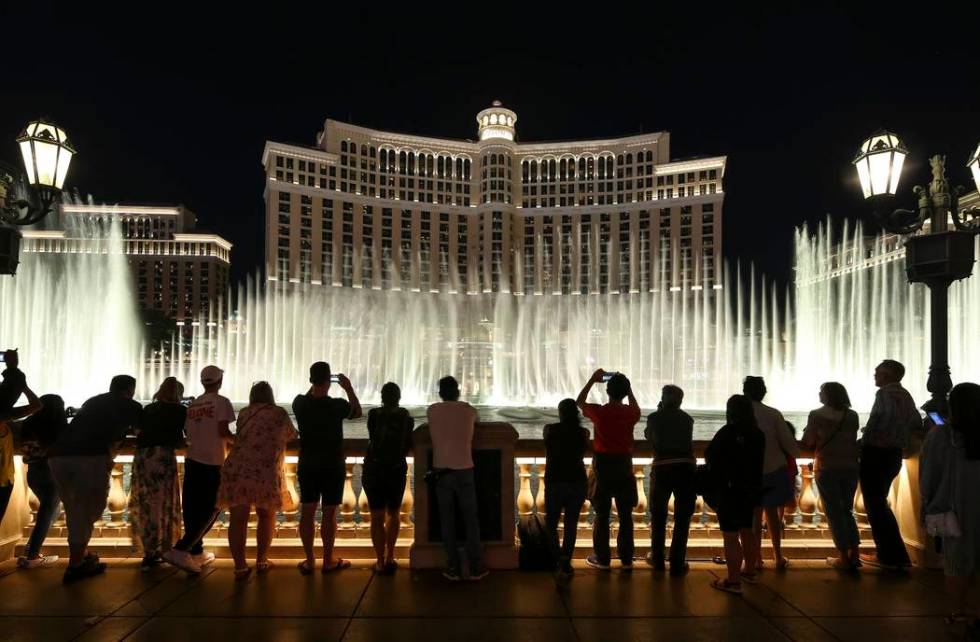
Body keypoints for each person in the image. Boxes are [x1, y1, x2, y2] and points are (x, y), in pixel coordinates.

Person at [48, 375, 142, 583]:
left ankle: (81, 556)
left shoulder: (93, 401)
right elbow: (142, 432)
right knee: (90, 508)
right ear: (130, 390)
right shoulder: (130, 405)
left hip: (58, 457)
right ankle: (75, 565)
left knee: (75, 509)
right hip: (88, 457)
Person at [217, 381, 297, 581]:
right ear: (270, 395)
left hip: (237, 468)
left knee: (238, 519)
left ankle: (240, 567)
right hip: (265, 469)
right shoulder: (279, 413)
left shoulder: (244, 412)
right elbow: (291, 435)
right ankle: (262, 561)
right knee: (266, 515)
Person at [163, 365, 235, 575]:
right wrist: (240, 441)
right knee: (214, 506)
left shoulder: (193, 405)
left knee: (193, 508)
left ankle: (195, 552)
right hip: (213, 461)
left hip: (192, 459)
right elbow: (223, 431)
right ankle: (181, 549)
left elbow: (188, 431)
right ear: (219, 381)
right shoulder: (222, 402)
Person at [293, 361, 362, 575]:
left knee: (307, 511)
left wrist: (315, 385)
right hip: (332, 464)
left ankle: (310, 560)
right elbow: (357, 412)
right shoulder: (337, 405)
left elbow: (307, 398)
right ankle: (328, 560)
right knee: (329, 513)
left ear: (311, 379)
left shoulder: (299, 403)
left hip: (307, 464)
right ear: (329, 380)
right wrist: (348, 388)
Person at [921, 382, 980, 632]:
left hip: (956, 509)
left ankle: (959, 612)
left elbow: (929, 476)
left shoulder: (943, 435)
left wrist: (928, 504)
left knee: (957, 562)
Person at [577, 369, 641, 571]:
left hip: (602, 465)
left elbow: (579, 402)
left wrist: (592, 380)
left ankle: (603, 558)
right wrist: (629, 389)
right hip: (624, 464)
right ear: (625, 392)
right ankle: (627, 558)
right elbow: (635, 407)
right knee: (625, 514)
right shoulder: (631, 413)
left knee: (602, 514)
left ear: (608, 391)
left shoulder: (600, 412)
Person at [427, 375, 488, 581]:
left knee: (447, 521)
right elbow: (477, 421)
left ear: (441, 393)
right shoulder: (469, 410)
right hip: (465, 470)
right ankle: (475, 567)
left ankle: (452, 566)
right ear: (458, 392)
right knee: (471, 520)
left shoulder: (432, 410)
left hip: (441, 472)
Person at [859, 359, 918, 569]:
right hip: (893, 455)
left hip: (876, 454)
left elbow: (878, 420)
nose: (875, 375)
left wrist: (864, 439)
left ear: (889, 375)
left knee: (875, 506)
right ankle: (894, 554)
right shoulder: (906, 395)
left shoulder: (883, 394)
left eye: (879, 372)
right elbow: (915, 421)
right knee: (880, 504)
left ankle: (890, 556)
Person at [706, 394, 765, 595]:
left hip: (730, 490)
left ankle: (733, 581)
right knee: (747, 530)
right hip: (751, 490)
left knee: (731, 536)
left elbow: (711, 457)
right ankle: (749, 571)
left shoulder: (727, 432)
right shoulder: (758, 434)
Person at [802, 382, 861, 569]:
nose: (819, 394)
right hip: (851, 466)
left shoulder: (817, 415)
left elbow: (809, 441)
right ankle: (855, 554)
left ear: (828, 395)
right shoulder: (852, 415)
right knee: (847, 511)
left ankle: (843, 556)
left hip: (827, 466)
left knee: (834, 512)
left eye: (821, 391)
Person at [129, 377, 187, 570]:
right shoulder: (180, 411)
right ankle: (162, 548)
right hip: (162, 458)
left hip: (143, 457)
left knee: (147, 504)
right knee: (163, 504)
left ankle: (149, 550)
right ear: (179, 394)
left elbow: (138, 431)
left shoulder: (149, 409)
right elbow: (181, 439)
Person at [743, 376, 798, 570]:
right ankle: (778, 556)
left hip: (749, 470)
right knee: (773, 515)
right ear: (763, 393)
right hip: (774, 468)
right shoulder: (774, 414)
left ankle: (755, 558)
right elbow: (788, 443)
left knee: (754, 517)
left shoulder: (740, 413)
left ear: (745, 392)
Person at [362, 382, 414, 574]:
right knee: (394, 513)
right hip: (395, 468)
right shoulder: (405, 416)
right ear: (399, 398)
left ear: (382, 397)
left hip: (374, 468)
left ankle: (379, 560)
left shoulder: (374, 414)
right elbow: (408, 440)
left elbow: (372, 435)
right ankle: (391, 555)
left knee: (377, 517)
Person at [645, 384, 696, 575]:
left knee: (658, 514)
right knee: (683, 516)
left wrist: (658, 412)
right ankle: (677, 561)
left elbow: (649, 436)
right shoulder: (687, 419)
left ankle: (657, 558)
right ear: (681, 401)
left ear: (663, 398)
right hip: (686, 468)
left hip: (663, 468)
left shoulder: (654, 417)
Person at [17, 393, 68, 568]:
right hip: (51, 472)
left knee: (51, 511)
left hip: (33, 473)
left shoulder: (28, 423)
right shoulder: (58, 426)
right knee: (47, 514)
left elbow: (25, 447)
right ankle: (32, 556)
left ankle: (31, 550)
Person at [543, 398, 589, 582]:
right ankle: (566, 560)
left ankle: (558, 559)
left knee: (551, 524)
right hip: (577, 481)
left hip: (555, 481)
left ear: (560, 413)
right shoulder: (583, 433)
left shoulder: (550, 430)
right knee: (571, 524)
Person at [0, 380, 43, 527]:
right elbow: (37, 405)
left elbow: (37, 406)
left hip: (6, 480)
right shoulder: (4, 418)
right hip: (4, 481)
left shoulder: (5, 419)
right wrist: (23, 385)